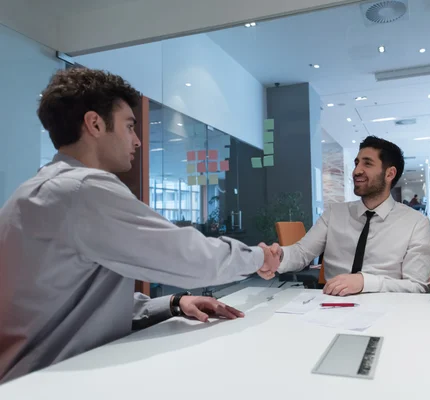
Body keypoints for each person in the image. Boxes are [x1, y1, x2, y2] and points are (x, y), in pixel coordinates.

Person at [0, 68, 280, 383]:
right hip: (44, 384)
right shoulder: (81, 189)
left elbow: (72, 306)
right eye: (129, 126)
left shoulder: (36, 190)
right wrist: (259, 257)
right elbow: (187, 257)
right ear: (94, 124)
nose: (137, 140)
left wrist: (173, 303)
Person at [261, 136, 430, 296]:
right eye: (356, 163)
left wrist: (365, 282)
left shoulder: (416, 223)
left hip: (386, 311)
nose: (356, 171)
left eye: (367, 164)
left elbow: (416, 286)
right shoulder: (334, 213)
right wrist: (279, 256)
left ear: (389, 174)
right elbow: (302, 253)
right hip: (332, 306)